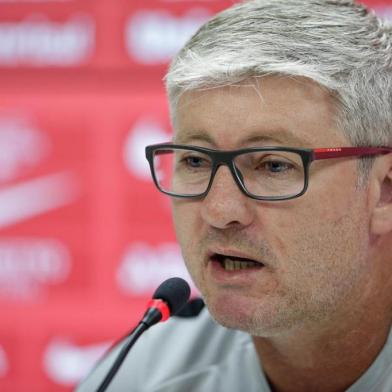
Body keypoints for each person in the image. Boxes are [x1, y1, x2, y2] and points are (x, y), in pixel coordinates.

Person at [78, 0, 392, 390]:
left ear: (384, 191)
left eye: (274, 165)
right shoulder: (144, 374)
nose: (220, 210)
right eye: (195, 160)